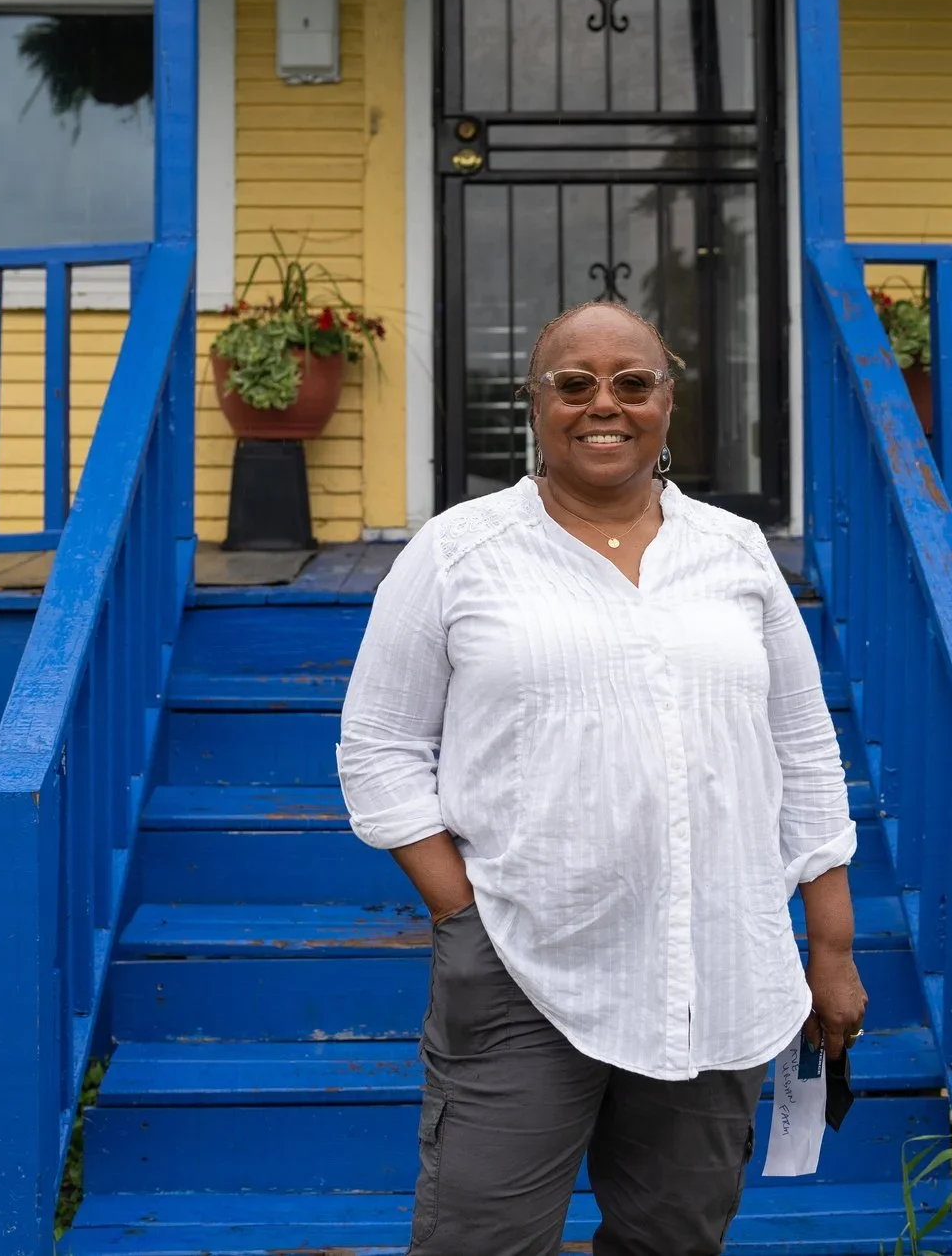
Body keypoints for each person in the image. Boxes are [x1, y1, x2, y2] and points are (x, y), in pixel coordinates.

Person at [337, 299, 866, 1256]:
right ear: (535, 403)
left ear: (667, 401)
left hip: (718, 967)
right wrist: (462, 912)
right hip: (522, 960)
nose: (604, 403)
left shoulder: (736, 550)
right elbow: (378, 744)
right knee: (481, 1242)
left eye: (632, 382)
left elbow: (802, 745)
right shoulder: (459, 551)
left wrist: (829, 944)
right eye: (574, 383)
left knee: (673, 1238)